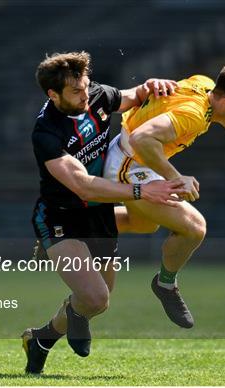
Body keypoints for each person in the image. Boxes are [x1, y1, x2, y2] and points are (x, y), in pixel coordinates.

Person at [22, 51, 186, 374]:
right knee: (97, 298)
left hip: (99, 214)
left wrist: (150, 87)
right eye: (76, 92)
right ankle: (73, 307)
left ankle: (40, 339)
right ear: (52, 95)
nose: (85, 95)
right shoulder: (46, 133)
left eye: (85, 86)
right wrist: (141, 190)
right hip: (60, 218)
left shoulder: (96, 95)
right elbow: (83, 186)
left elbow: (133, 97)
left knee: (99, 294)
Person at [104, 59, 225, 329]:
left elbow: (170, 107)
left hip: (136, 158)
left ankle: (70, 224)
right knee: (194, 228)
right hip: (129, 165)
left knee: (143, 225)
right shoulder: (193, 114)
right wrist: (175, 177)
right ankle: (165, 284)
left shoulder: (205, 85)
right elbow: (142, 138)